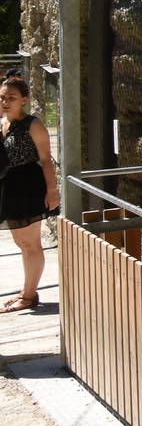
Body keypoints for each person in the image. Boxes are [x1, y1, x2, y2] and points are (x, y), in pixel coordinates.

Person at [1, 70, 58, 312]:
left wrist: (52, 190)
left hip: (29, 186)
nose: (5, 102)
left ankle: (29, 295)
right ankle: (27, 290)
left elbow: (46, 160)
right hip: (9, 187)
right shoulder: (4, 122)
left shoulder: (32, 124)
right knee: (21, 241)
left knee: (31, 242)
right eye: (2, 97)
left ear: (24, 99)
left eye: (11, 98)